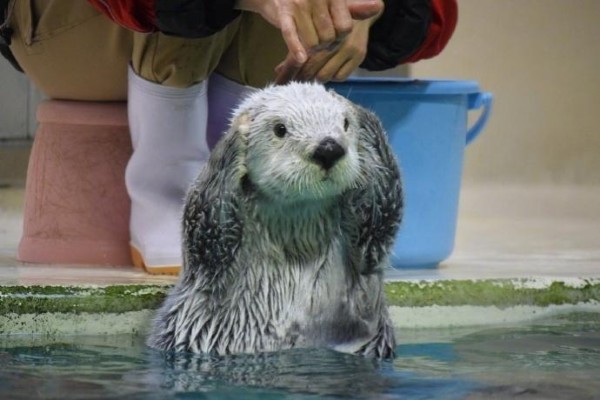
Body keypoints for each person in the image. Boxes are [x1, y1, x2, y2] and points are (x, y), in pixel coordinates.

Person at [1, 0, 458, 274]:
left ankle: (236, 191)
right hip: (82, 31)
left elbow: (437, 16)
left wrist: (367, 9)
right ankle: (174, 194)